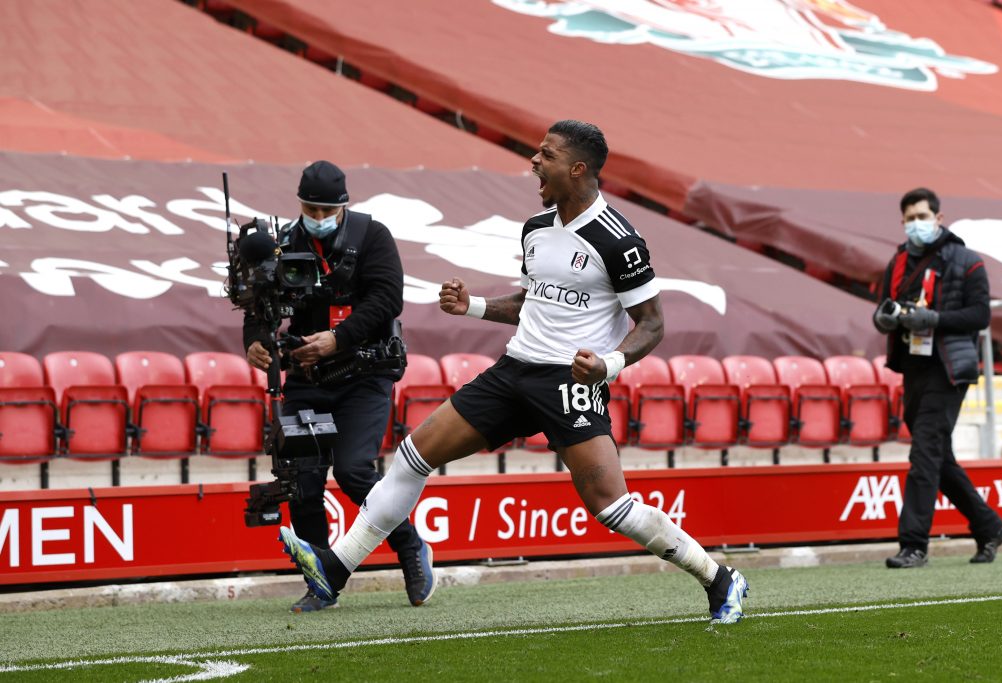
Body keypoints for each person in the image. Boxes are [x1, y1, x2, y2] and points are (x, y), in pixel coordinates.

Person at [279, 121, 748, 624]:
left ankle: (720, 580)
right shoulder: (536, 227)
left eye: (546, 155)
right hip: (514, 369)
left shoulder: (619, 240)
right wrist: (474, 306)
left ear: (578, 168)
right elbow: (531, 302)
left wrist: (608, 365)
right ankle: (336, 568)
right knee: (414, 455)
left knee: (611, 506)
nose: (534, 162)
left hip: (570, 382)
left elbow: (652, 323)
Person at [244, 160, 434, 612]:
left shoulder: (373, 237)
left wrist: (337, 340)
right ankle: (320, 581)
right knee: (302, 483)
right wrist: (254, 340)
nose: (319, 215)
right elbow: (259, 303)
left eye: (327, 209)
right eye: (310, 207)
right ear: (299, 204)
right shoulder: (284, 242)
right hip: (307, 378)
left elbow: (388, 299)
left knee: (353, 471)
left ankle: (409, 547)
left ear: (344, 206)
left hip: (364, 375)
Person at [873, 187, 1002, 569]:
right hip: (914, 367)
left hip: (950, 368)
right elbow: (883, 306)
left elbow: (980, 316)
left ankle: (913, 544)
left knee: (924, 454)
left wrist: (933, 320)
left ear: (938, 217)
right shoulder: (898, 262)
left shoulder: (967, 261)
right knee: (937, 456)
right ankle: (990, 526)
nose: (916, 224)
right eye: (909, 218)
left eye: (922, 215)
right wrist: (885, 318)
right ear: (902, 223)